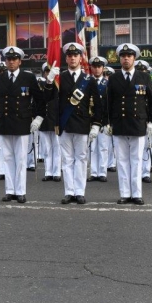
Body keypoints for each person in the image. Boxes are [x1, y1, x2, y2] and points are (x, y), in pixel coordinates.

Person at [0, 46, 46, 203]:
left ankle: (20, 191)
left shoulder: (28, 78)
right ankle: (9, 190)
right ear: (5, 61)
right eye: (8, 59)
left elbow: (39, 99)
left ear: (20, 61)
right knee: (7, 158)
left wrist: (38, 117)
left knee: (20, 159)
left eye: (14, 59)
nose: (11, 62)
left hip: (22, 122)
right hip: (4, 122)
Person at [106, 43, 152, 205]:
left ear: (134, 59)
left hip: (138, 124)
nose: (126, 59)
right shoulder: (114, 78)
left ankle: (136, 193)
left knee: (136, 160)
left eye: (129, 56)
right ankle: (125, 193)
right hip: (120, 124)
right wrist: (107, 122)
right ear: (119, 59)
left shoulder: (144, 77)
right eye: (123, 56)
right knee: (122, 161)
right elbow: (109, 102)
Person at [51, 42, 103, 204]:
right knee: (67, 159)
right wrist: (49, 80)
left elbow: (97, 104)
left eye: (75, 55)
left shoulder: (89, 79)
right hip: (65, 123)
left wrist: (96, 124)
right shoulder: (60, 77)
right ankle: (69, 191)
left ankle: (79, 191)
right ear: (66, 58)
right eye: (69, 55)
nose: (72, 58)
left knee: (80, 158)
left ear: (81, 58)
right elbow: (51, 100)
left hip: (82, 123)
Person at [87, 56, 111, 183]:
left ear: (103, 68)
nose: (97, 69)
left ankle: (102, 172)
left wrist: (108, 122)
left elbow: (109, 104)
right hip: (90, 120)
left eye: (99, 67)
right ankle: (93, 172)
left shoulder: (107, 84)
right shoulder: (87, 82)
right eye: (94, 67)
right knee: (92, 147)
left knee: (103, 147)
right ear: (91, 68)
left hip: (103, 120)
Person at [38, 63, 61, 182]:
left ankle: (57, 172)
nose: (48, 74)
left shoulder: (58, 85)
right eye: (47, 72)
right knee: (46, 148)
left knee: (56, 147)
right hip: (44, 120)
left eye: (50, 71)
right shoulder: (40, 84)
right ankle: (48, 172)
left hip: (56, 119)